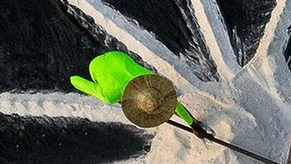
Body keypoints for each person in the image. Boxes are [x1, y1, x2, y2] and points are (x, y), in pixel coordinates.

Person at [71, 51, 209, 136]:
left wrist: (194, 125)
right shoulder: (110, 96)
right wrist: (194, 126)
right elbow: (77, 81)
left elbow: (75, 80)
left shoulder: (149, 77)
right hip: (98, 65)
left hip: (117, 57)